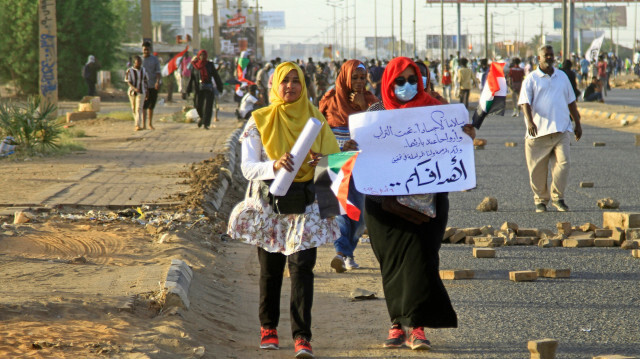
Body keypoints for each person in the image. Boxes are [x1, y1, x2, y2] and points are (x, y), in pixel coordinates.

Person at [228, 61, 340, 359]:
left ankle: (303, 336)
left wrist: (321, 162)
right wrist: (274, 165)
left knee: (303, 267)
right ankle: (269, 327)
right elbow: (248, 168)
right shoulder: (259, 121)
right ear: (274, 86)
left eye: (296, 81)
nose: (290, 86)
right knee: (271, 269)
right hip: (270, 204)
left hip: (306, 204)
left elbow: (332, 165)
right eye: (285, 81)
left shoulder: (315, 120)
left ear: (304, 86)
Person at [361, 57, 475, 351]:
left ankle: (418, 327)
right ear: (388, 82)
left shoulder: (436, 111)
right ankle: (397, 324)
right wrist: (352, 147)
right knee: (393, 265)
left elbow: (453, 149)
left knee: (422, 262)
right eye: (400, 81)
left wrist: (465, 138)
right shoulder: (376, 112)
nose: (408, 86)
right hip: (383, 205)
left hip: (427, 205)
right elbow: (362, 154)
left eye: (414, 80)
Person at [319, 59, 378, 273]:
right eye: (355, 78)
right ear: (346, 78)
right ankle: (341, 253)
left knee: (360, 216)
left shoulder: (372, 101)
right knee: (343, 209)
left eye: (363, 78)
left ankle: (348, 252)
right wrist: (341, 146)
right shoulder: (330, 100)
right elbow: (320, 133)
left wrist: (364, 107)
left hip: (363, 164)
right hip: (336, 161)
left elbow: (382, 127)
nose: (360, 82)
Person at [518, 45, 582, 213]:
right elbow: (524, 102)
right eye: (545, 55)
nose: (549, 57)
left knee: (564, 164)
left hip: (561, 130)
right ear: (538, 58)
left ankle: (558, 198)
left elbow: (571, 102)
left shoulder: (562, 77)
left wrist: (578, 123)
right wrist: (530, 122)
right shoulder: (531, 79)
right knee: (537, 170)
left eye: (551, 55)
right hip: (537, 133)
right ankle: (540, 200)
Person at [190, 50, 223, 130]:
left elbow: (215, 75)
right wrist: (188, 89)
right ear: (198, 56)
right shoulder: (195, 66)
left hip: (208, 88)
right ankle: (202, 118)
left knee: (208, 106)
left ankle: (206, 123)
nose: (203, 56)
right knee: (198, 105)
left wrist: (220, 87)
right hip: (198, 89)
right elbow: (192, 78)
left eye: (204, 55)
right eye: (201, 55)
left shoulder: (210, 65)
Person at [124, 56, 148, 131]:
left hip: (141, 92)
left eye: (140, 62)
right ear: (134, 62)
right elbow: (128, 81)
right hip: (132, 92)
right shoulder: (130, 71)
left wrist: (147, 91)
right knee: (134, 108)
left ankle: (137, 125)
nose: (139, 64)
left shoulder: (143, 70)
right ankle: (136, 123)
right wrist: (134, 88)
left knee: (139, 108)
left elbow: (145, 81)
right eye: (138, 62)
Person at [141, 42, 161, 130]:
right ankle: (143, 124)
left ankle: (150, 124)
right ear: (142, 49)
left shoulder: (154, 60)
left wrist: (157, 82)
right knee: (143, 106)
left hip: (153, 85)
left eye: (147, 49)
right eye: (144, 49)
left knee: (151, 106)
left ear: (150, 50)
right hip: (143, 87)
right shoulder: (139, 60)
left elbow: (158, 72)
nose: (146, 51)